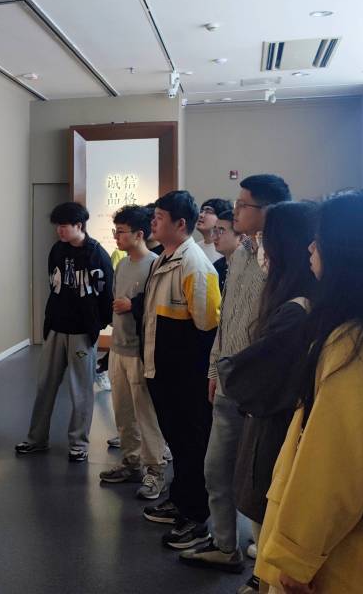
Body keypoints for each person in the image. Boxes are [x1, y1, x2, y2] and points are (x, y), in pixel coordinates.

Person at [256, 189, 363, 593]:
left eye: (320, 238)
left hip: (345, 556)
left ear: (349, 251)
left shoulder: (354, 342)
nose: (311, 247)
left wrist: (297, 557)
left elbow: (335, 459)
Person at [181, 202, 318, 594]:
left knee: (266, 491)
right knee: (229, 476)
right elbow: (226, 323)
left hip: (270, 411)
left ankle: (264, 573)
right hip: (248, 400)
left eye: (244, 205)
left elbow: (262, 367)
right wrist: (219, 369)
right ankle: (233, 550)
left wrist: (232, 372)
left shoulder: (298, 306)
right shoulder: (245, 261)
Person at [137, 191, 221, 550]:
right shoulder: (163, 258)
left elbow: (207, 327)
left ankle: (196, 516)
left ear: (180, 223)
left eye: (159, 217)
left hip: (185, 376)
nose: (153, 222)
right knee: (177, 440)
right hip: (162, 370)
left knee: (191, 443)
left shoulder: (195, 265)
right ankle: (180, 500)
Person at [15, 202, 113, 463]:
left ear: (79, 225)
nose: (59, 230)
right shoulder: (57, 250)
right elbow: (54, 285)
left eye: (64, 226)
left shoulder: (97, 254)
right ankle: (36, 439)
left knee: (81, 390)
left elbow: (106, 294)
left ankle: (79, 444)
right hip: (56, 327)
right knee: (45, 385)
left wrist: (97, 325)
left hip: (82, 331)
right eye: (57, 226)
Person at [98, 206, 168, 499]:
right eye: (115, 231)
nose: (116, 237)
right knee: (123, 412)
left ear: (139, 234)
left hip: (140, 351)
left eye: (121, 232)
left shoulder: (155, 265)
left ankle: (155, 470)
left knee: (146, 414)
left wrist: (132, 305)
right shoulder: (123, 265)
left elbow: (157, 309)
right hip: (118, 348)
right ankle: (131, 462)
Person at [197, 198, 233, 264]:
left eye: (208, 212)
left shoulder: (225, 249)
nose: (201, 215)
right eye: (201, 211)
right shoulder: (196, 247)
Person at [211, 209, 239, 291]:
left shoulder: (248, 268)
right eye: (214, 231)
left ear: (241, 238)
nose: (214, 237)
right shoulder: (216, 266)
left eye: (221, 231)